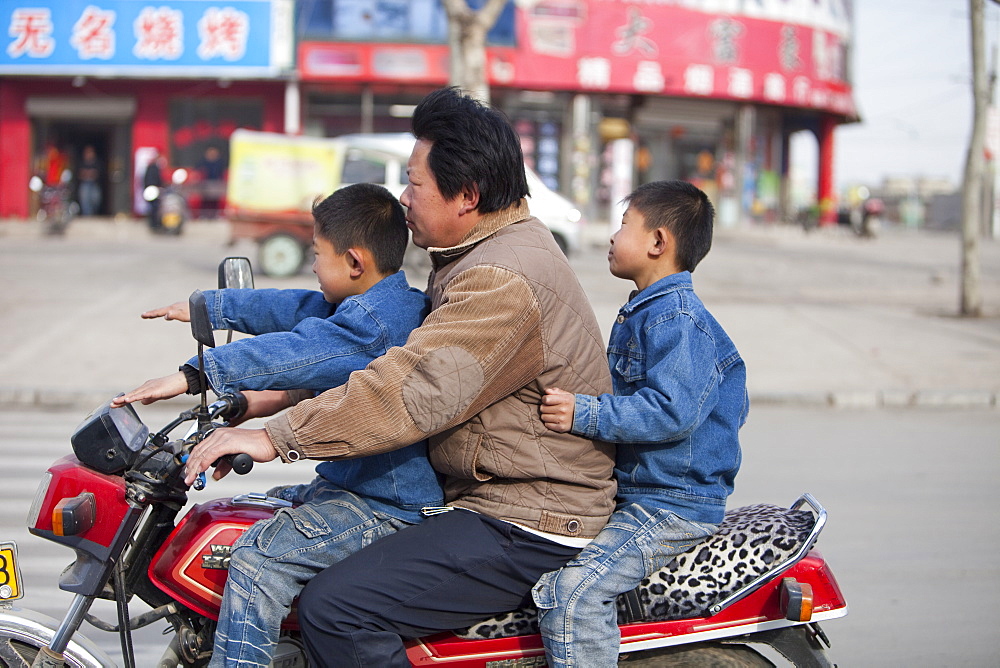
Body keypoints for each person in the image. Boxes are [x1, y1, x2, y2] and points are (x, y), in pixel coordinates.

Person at [181, 86, 616, 667]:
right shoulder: (484, 251)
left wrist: (274, 439)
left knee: (338, 609)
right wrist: (267, 389)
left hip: (526, 516)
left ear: (467, 195)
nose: (403, 197)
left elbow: (412, 390)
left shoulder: (501, 278)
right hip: (491, 497)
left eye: (415, 183)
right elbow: (347, 328)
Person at [113, 183, 442, 667]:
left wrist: (192, 375)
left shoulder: (372, 324)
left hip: (386, 505)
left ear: (354, 262)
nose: (312, 265)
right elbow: (294, 308)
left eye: (317, 254)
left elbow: (295, 349)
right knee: (238, 513)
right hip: (350, 489)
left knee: (255, 559)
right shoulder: (384, 303)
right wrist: (211, 308)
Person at [533, 180, 749, 667]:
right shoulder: (648, 312)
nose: (612, 236)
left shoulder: (675, 318)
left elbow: (672, 410)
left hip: (668, 503)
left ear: (658, 243)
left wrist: (584, 413)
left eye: (623, 225)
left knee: (573, 594)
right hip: (643, 492)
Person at [197, 146, 226, 218]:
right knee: (205, 200)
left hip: (216, 184)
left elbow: (221, 173)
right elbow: (199, 171)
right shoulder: (203, 162)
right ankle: (204, 215)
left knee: (215, 199)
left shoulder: (220, 163)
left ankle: (215, 215)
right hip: (205, 184)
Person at [143, 151, 165, 232]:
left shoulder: (155, 168)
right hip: (152, 190)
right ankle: (153, 224)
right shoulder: (153, 167)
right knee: (153, 208)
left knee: (155, 208)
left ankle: (155, 224)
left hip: (153, 190)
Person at [77, 145, 101, 216]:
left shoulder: (97, 163)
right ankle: (87, 216)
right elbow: (80, 174)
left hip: (94, 184)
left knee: (96, 200)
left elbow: (97, 174)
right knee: (84, 200)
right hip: (85, 184)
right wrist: (88, 173)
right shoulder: (81, 163)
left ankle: (93, 214)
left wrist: (89, 173)